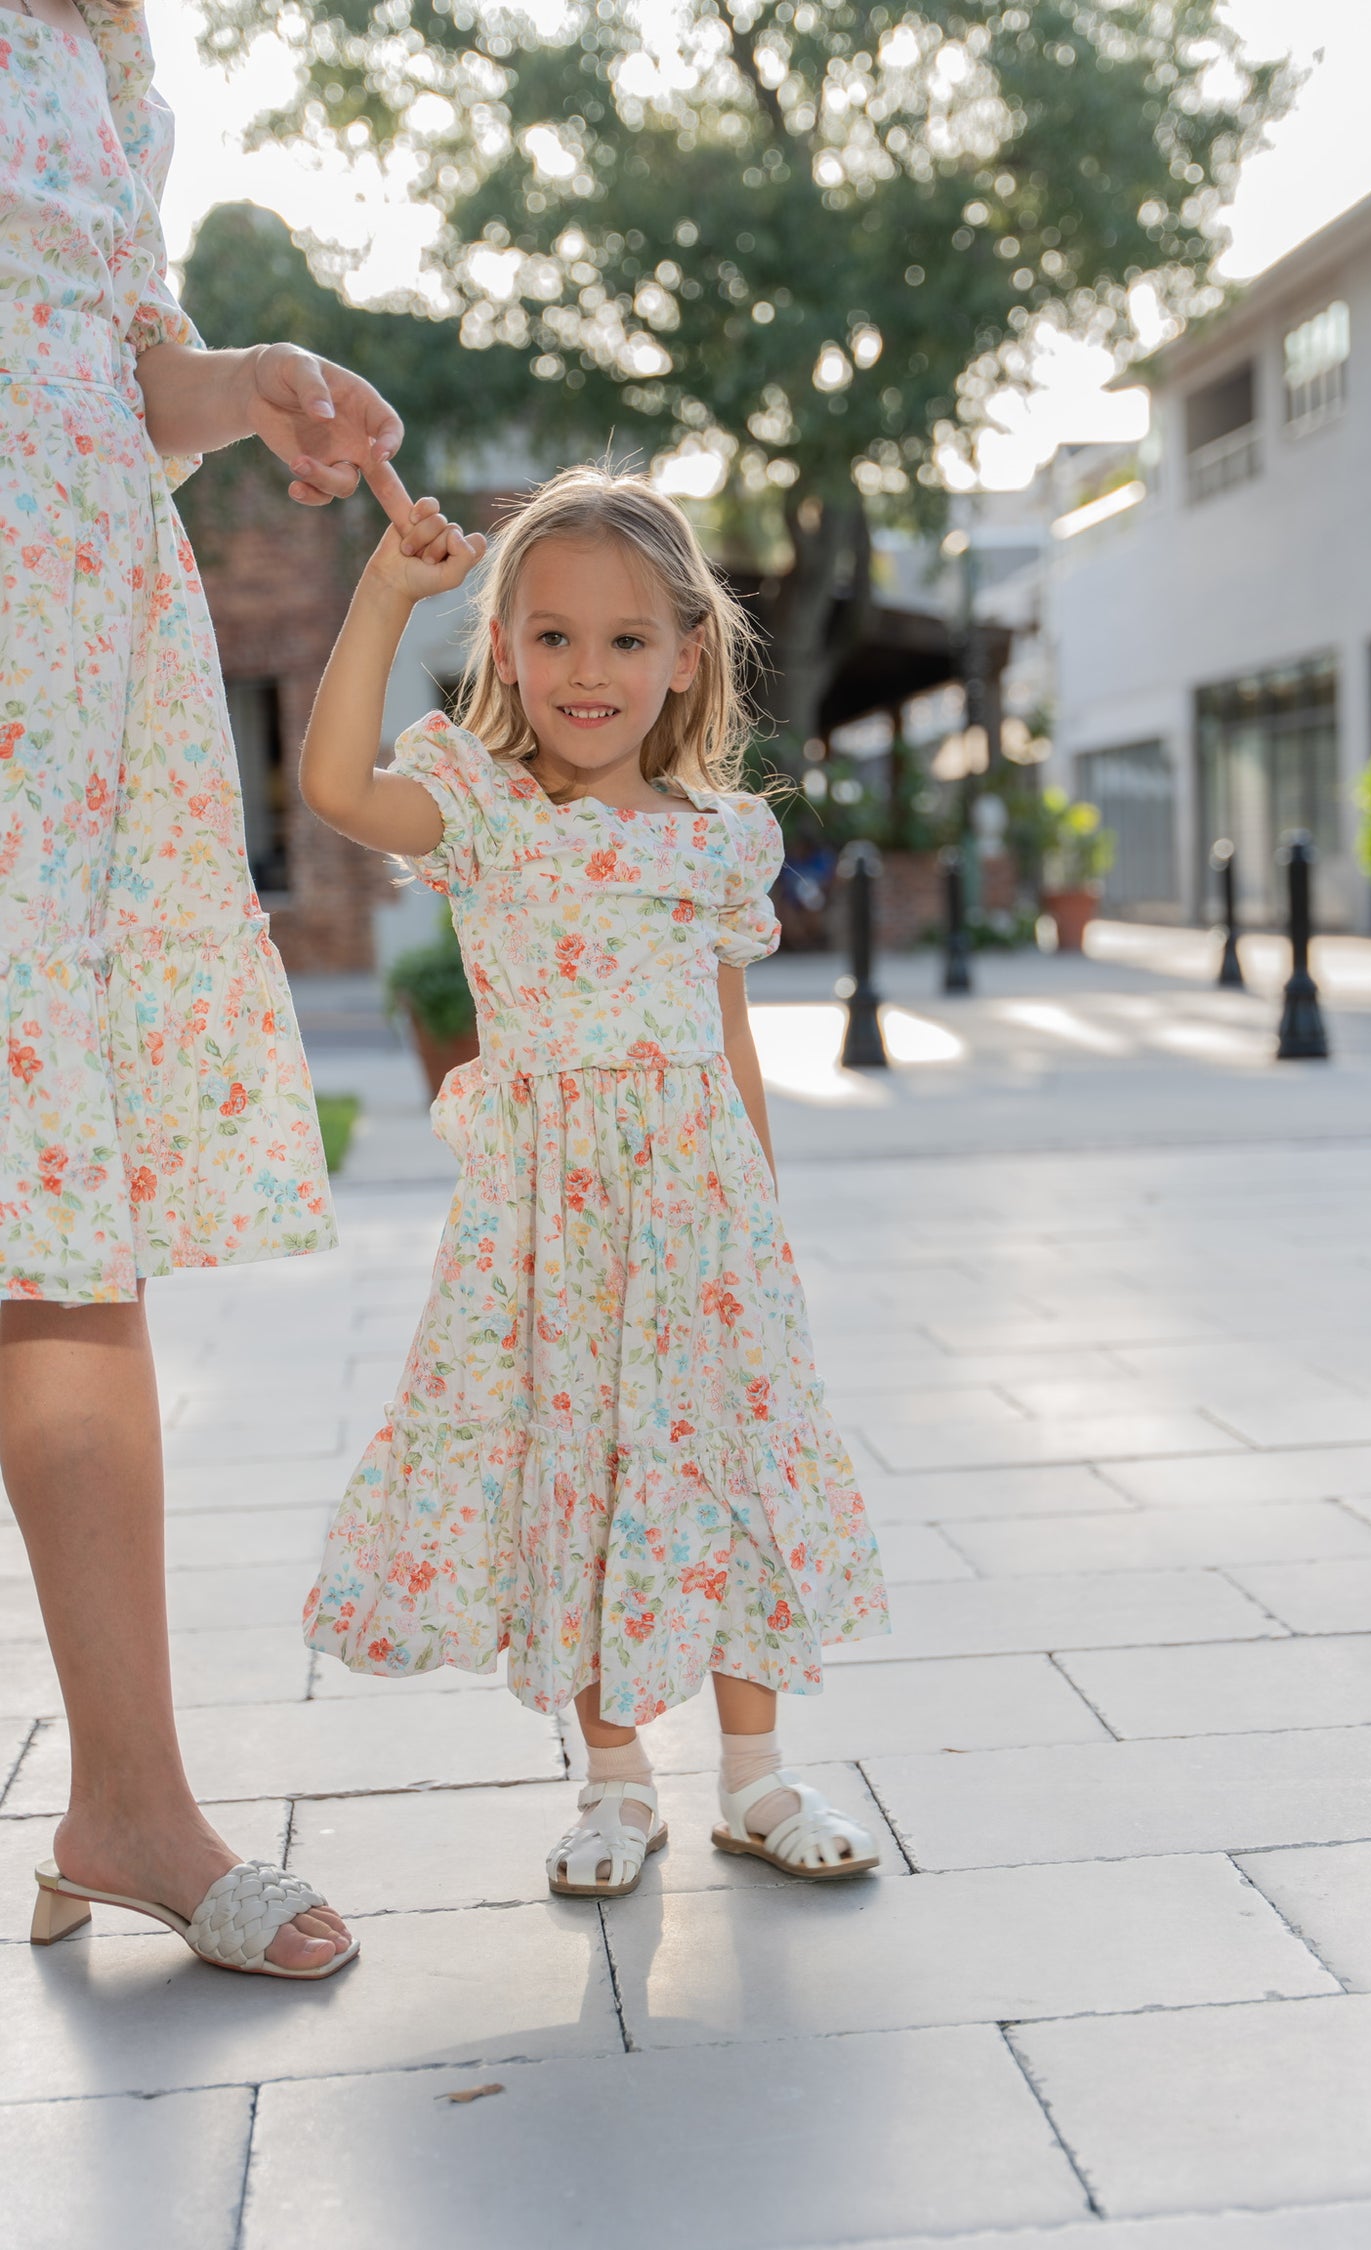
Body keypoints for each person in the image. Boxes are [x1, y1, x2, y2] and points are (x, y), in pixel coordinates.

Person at [300, 466, 891, 1893]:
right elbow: (327, 784)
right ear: (505, 645)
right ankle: (616, 1781)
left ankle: (757, 1777)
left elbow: (730, 1042)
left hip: (705, 1220)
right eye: (553, 634)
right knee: (587, 1474)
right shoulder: (486, 814)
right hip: (554, 1229)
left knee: (726, 1462)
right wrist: (387, 588)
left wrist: (766, 1219)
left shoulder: (712, 841)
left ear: (687, 654)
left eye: (628, 639)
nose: (589, 669)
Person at [4, 0, 409, 1976]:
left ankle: (129, 1799)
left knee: (58, 1214)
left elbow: (114, 363)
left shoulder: (109, 49)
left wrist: (231, 384)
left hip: (76, 647)